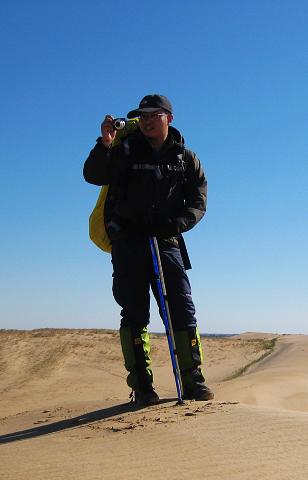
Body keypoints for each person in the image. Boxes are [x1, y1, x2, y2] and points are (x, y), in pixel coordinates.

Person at [84, 94, 214, 405]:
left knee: (181, 311)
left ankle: (193, 384)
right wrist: (105, 143)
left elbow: (198, 201)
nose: (146, 120)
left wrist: (178, 224)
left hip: (166, 242)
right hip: (128, 242)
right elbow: (94, 175)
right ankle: (143, 388)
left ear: (169, 117)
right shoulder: (124, 150)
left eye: (154, 114)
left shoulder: (186, 158)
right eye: (142, 115)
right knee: (134, 312)